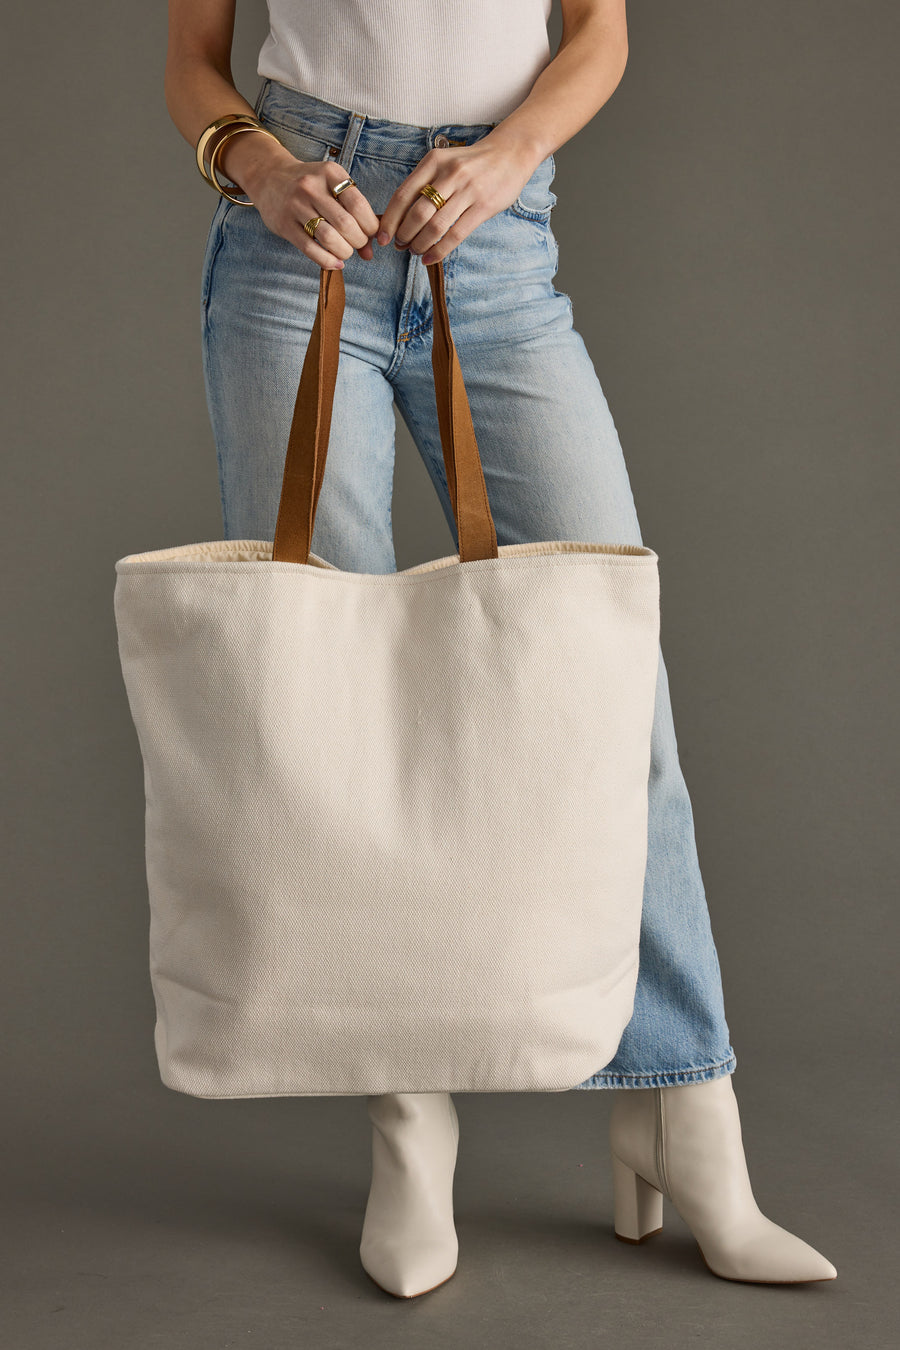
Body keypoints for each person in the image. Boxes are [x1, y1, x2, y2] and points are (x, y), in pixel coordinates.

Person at [164, 0, 837, 1299]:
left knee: (607, 679)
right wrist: (257, 164)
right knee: (340, 714)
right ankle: (410, 1126)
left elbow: (600, 32)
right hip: (299, 244)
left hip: (497, 240)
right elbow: (194, 62)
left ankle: (680, 1102)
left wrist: (514, 150)